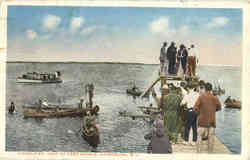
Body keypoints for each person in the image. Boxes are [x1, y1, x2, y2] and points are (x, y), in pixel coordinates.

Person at [194, 82, 222, 153]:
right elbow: (219, 107)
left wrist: (200, 112)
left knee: (199, 136)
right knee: (211, 137)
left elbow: (195, 107)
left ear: (205, 89)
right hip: (212, 120)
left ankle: (199, 153)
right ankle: (210, 153)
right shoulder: (215, 97)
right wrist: (213, 111)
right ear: (211, 89)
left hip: (202, 120)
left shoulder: (201, 97)